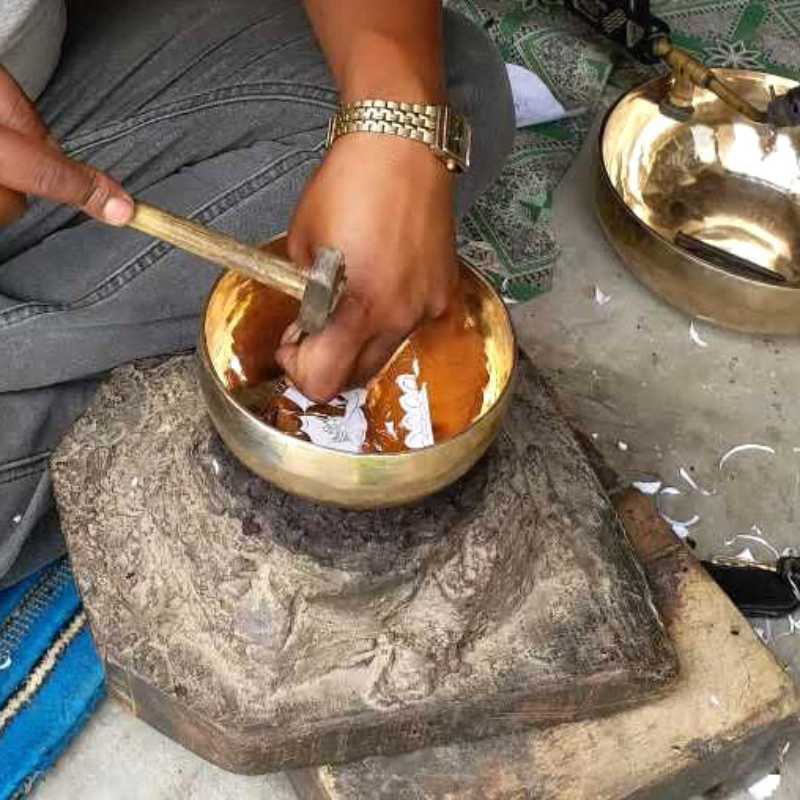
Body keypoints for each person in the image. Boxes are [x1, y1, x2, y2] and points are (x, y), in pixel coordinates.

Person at [0, 0, 514, 587]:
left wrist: (394, 122)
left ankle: (64, 367)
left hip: (49, 94)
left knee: (448, 89)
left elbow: (401, 91)